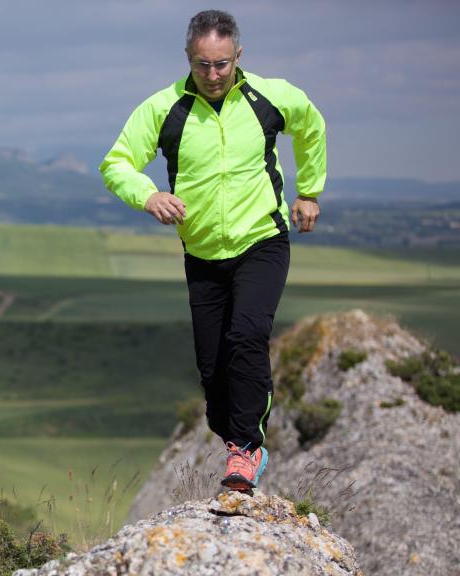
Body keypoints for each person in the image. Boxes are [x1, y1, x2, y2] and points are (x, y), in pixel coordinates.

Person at [99, 9, 326, 492]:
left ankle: (246, 450)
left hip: (261, 240)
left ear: (238, 56)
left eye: (222, 64)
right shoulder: (164, 109)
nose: (213, 75)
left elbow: (310, 125)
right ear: (188, 59)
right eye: (203, 65)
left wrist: (309, 191)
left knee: (247, 336)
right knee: (212, 366)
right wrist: (148, 195)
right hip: (202, 253)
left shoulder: (272, 97)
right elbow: (116, 162)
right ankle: (233, 439)